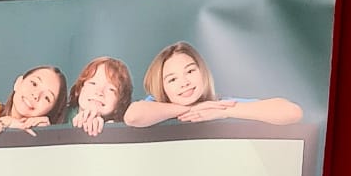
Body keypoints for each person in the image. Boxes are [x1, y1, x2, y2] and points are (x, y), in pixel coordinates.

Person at [124, 41, 303, 127]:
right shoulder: (155, 104)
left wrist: (223, 111)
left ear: (202, 72)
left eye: (190, 71)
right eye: (172, 79)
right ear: (162, 87)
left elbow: (292, 112)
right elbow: (133, 117)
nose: (184, 82)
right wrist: (193, 109)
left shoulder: (220, 104)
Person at [68, 56, 133, 135]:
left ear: (120, 102)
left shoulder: (122, 130)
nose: (99, 92)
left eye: (111, 89)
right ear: (79, 89)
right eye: (92, 83)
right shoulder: (60, 116)